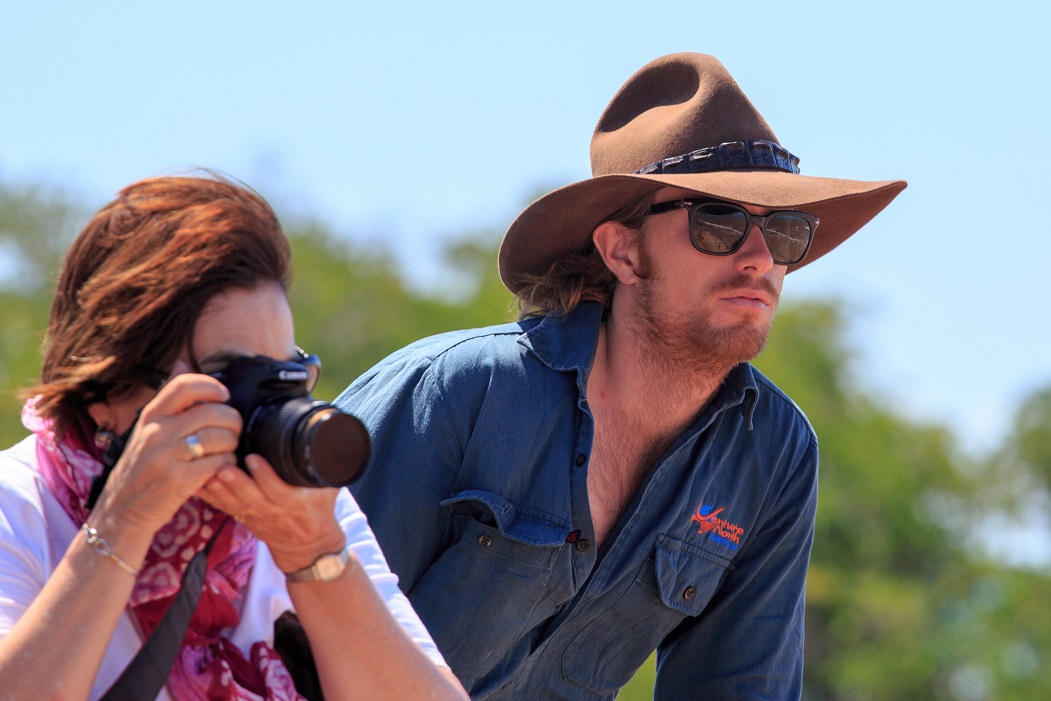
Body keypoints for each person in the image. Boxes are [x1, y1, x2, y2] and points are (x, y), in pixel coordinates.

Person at [335, 52, 907, 700]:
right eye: (716, 221)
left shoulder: (770, 453)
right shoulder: (458, 391)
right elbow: (287, 626)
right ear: (622, 250)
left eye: (782, 231)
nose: (757, 258)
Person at [0, 175, 468, 701]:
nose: (264, 411)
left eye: (284, 374)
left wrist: (315, 555)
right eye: (233, 379)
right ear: (106, 389)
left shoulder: (307, 512)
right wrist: (123, 523)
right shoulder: (18, 505)